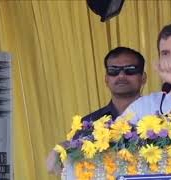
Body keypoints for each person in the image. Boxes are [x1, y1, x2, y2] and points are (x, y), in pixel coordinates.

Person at [46, 46, 147, 174]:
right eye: (113, 70)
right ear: (106, 79)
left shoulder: (160, 119)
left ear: (143, 78)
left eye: (130, 70)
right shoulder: (88, 124)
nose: (121, 75)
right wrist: (61, 148)